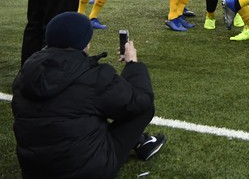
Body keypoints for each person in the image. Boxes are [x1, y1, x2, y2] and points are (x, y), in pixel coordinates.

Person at [12, 11, 166, 177]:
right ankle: (141, 142)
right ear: (84, 42)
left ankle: (139, 140)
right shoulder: (91, 76)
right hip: (85, 171)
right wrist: (133, 65)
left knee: (80, 111)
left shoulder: (26, 72)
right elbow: (140, 100)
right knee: (142, 108)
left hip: (33, 170)